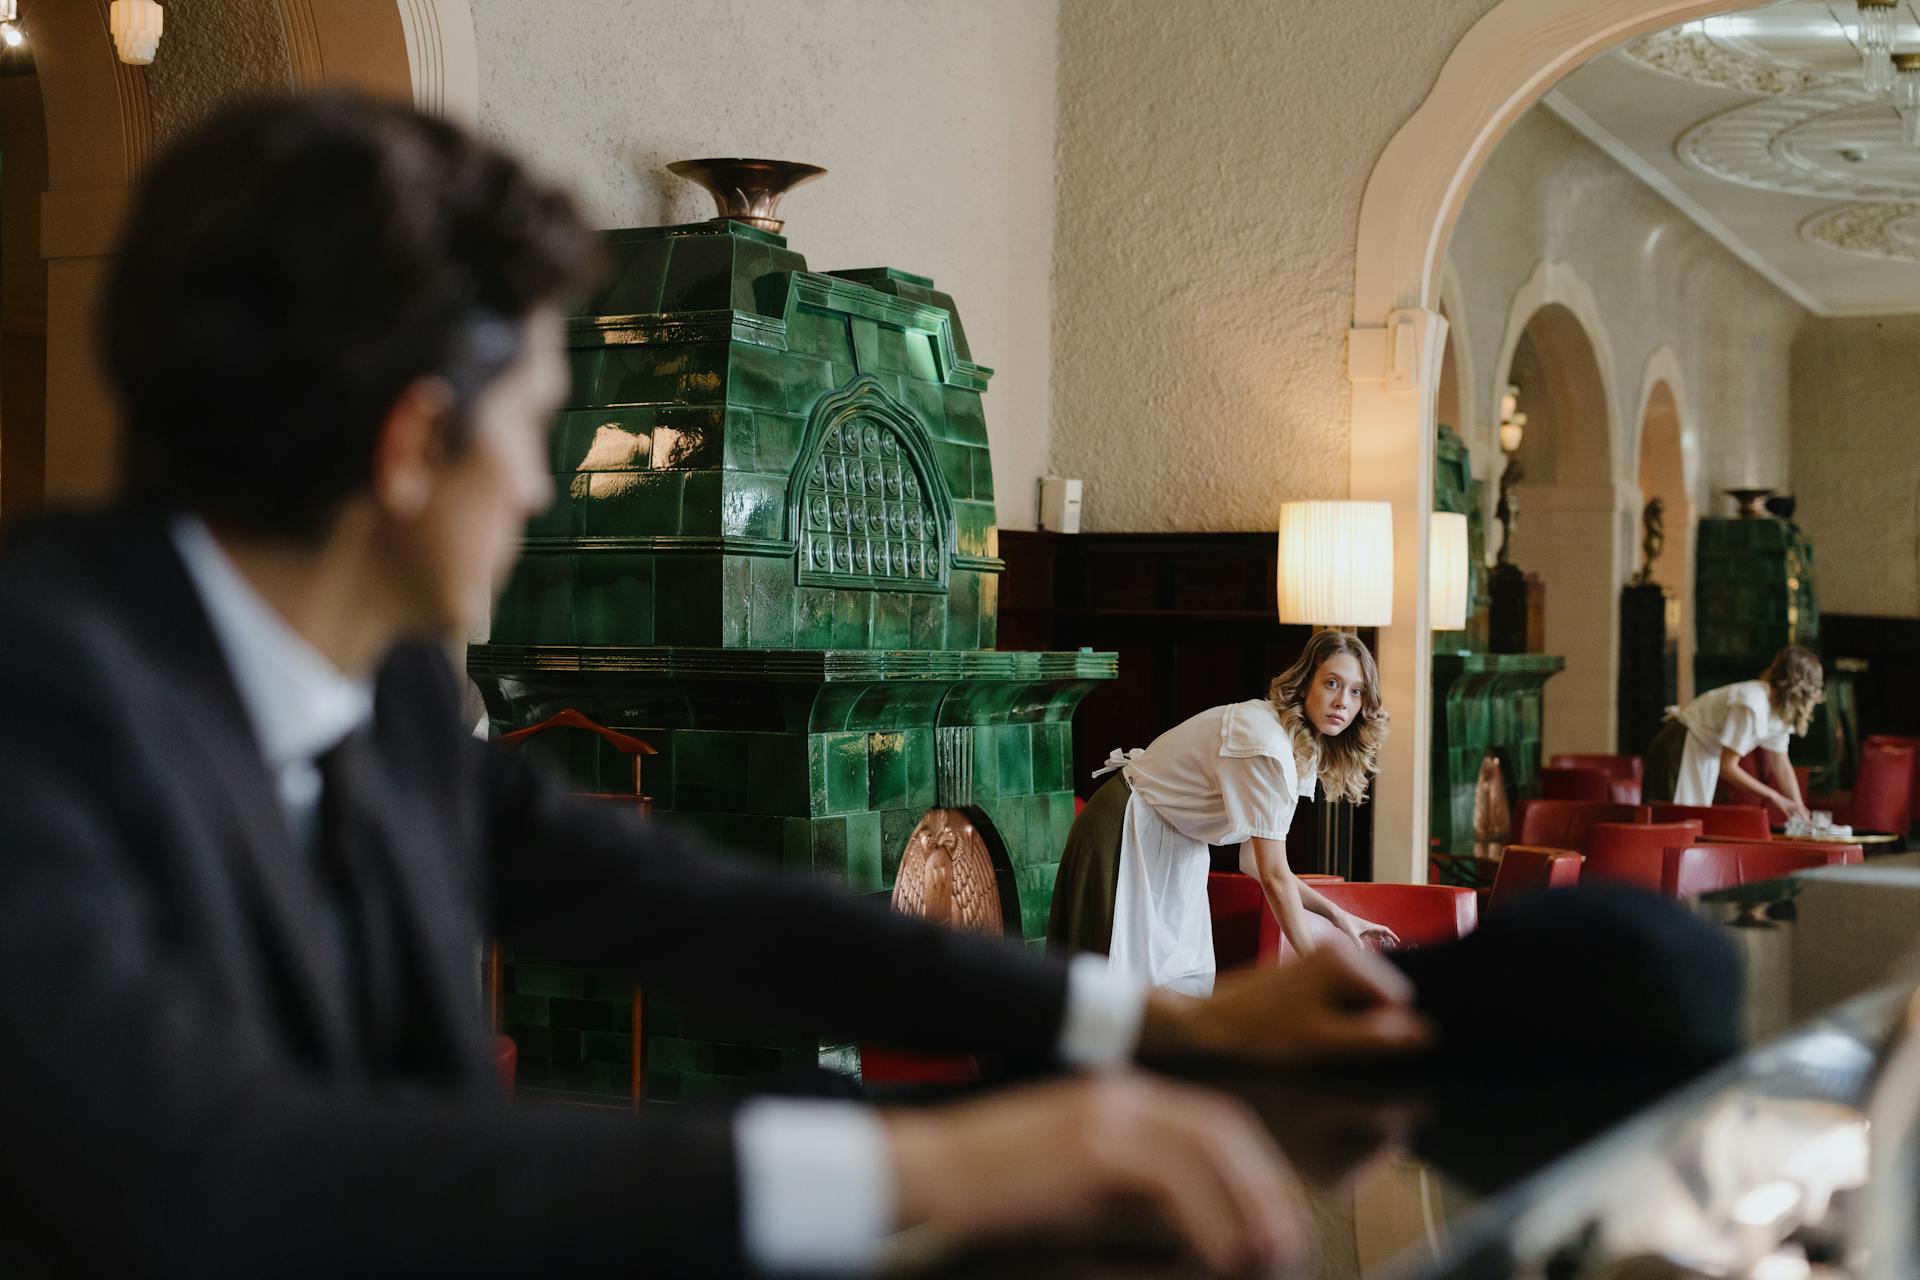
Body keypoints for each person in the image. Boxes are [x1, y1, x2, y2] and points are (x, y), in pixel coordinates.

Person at [0, 96, 1432, 1278]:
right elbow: (236, 1170)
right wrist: (927, 1159)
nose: (535, 482)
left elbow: (692, 906)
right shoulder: (39, 716)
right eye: (530, 428)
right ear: (411, 447)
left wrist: (1144, 1027)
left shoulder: (366, 703)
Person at [1049, 630, 1399, 995]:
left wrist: (1338, 916)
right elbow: (1274, 874)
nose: (1343, 701)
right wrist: (1320, 972)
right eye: (1331, 683)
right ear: (1305, 683)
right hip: (1126, 830)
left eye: (1356, 691)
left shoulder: (1297, 747)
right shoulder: (1265, 744)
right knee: (1109, 990)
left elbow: (1254, 863)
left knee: (1170, 991)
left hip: (1177, 844)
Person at [1642, 645, 1823, 817]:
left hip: (1702, 752)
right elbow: (1728, 766)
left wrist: (1800, 810)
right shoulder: (1751, 703)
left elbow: (1782, 766)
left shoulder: (1779, 712)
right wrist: (1774, 797)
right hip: (1679, 746)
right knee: (1670, 820)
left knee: (1688, 820)